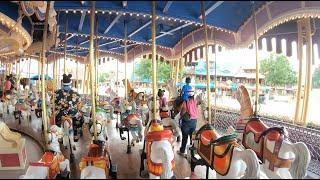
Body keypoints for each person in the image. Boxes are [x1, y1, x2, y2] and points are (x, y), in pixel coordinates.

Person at [55, 74, 82, 139]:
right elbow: (79, 104)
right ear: (70, 83)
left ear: (62, 83)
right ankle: (76, 134)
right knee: (79, 118)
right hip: (72, 112)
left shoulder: (57, 92)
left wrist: (57, 109)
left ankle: (59, 134)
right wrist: (78, 110)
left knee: (56, 119)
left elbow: (54, 104)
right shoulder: (76, 93)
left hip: (61, 113)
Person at [177, 87, 198, 157]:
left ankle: (182, 151)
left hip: (187, 122)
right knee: (192, 137)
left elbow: (181, 111)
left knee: (185, 137)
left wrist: (180, 116)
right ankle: (192, 153)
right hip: (194, 121)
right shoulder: (195, 101)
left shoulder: (185, 102)